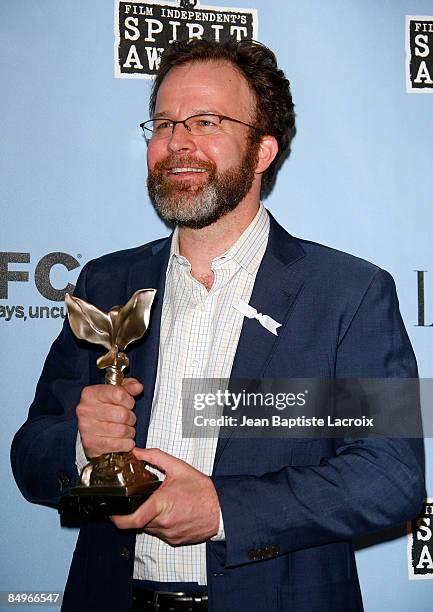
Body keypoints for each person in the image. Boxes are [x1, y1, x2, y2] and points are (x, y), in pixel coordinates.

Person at [12, 39, 424, 612]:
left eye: (206, 121)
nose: (177, 142)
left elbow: (391, 477)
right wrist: (82, 449)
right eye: (163, 124)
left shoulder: (347, 294)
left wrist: (224, 510)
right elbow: (31, 451)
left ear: (261, 152)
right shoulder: (105, 283)